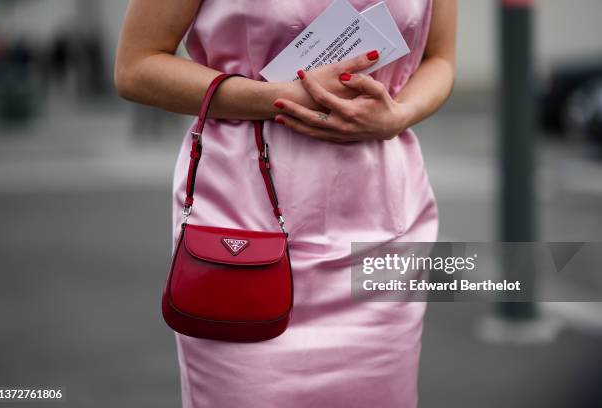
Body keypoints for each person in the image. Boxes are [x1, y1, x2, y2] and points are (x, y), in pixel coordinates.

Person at [115, 0, 456, 407]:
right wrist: (278, 97)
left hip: (379, 223)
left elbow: (440, 59)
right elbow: (135, 67)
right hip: (242, 221)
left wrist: (400, 115)